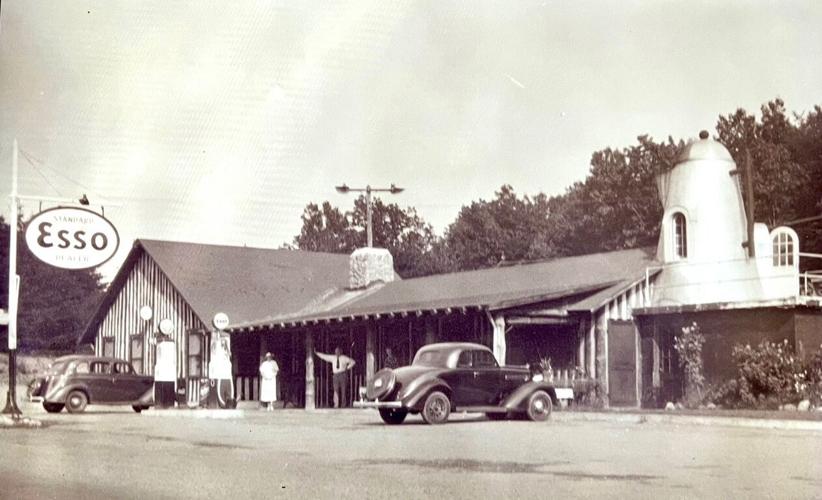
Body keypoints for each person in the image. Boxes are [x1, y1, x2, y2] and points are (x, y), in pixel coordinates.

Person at [153, 333, 177, 409]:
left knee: (166, 390)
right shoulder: (160, 344)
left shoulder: (168, 344)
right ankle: (163, 404)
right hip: (163, 372)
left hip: (167, 372)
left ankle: (167, 404)